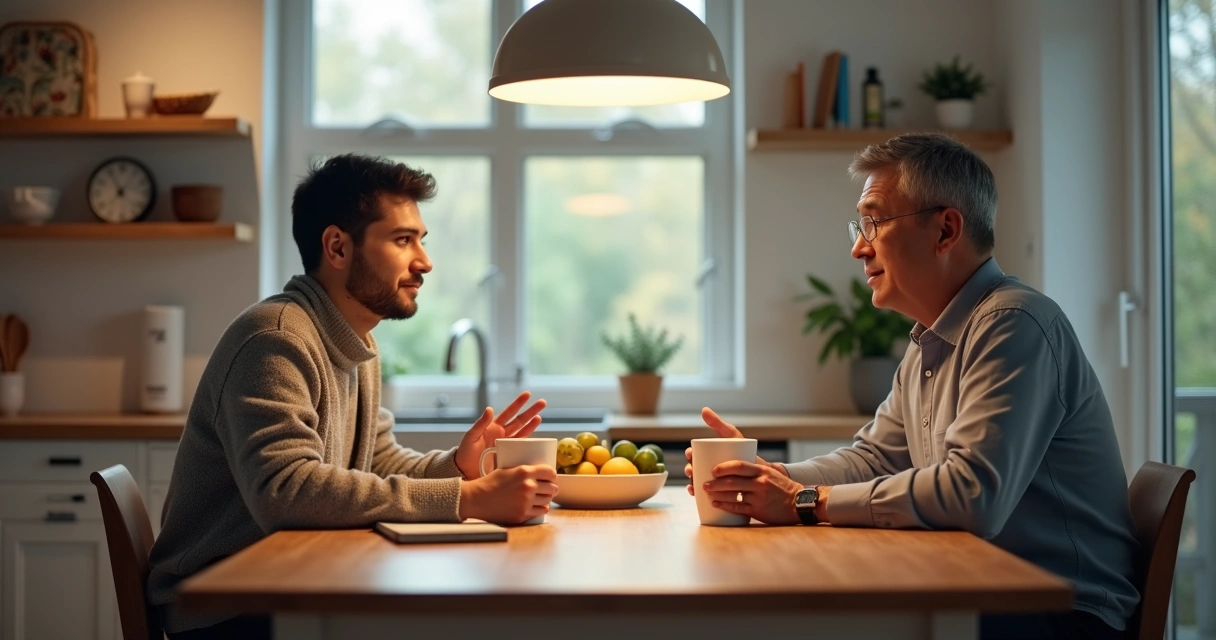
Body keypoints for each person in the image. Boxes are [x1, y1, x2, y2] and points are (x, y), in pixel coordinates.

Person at [686, 133, 1140, 639]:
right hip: (981, 591)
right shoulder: (931, 339)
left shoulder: (1014, 323)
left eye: (874, 223)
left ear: (945, 230)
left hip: (1065, 614)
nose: (859, 247)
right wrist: (766, 476)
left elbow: (972, 494)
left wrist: (801, 500)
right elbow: (874, 458)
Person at [146, 154, 558, 640]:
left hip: (289, 586)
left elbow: (375, 461)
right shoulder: (275, 339)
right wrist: (466, 498)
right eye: (403, 240)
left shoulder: (352, 339)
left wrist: (457, 465)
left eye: (421, 241)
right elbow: (286, 492)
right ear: (337, 247)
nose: (424, 262)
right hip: (229, 610)